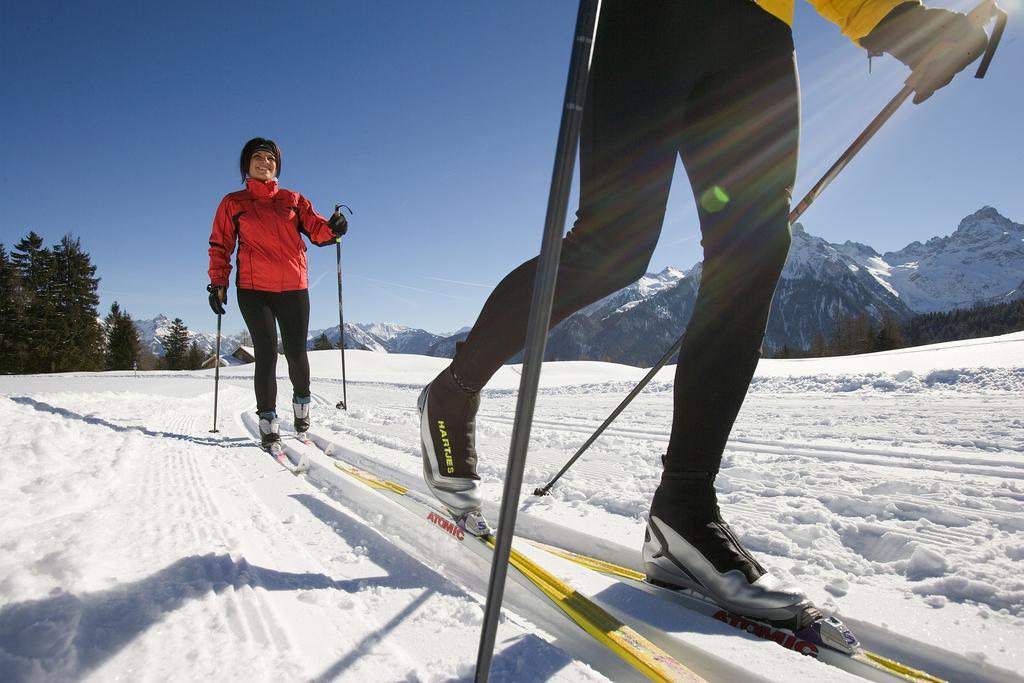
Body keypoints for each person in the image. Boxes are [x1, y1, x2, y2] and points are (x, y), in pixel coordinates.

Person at [418, 0, 988, 626]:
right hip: (651, 20)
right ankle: (454, 392)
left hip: (759, 35)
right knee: (614, 247)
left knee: (755, 247)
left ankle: (683, 510)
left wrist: (903, 24)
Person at [207, 137, 348, 451]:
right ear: (247, 164)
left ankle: (302, 411)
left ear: (277, 166)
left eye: (270, 159)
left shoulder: (293, 200)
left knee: (297, 354)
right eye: (257, 157)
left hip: (294, 289)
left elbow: (317, 230)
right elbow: (221, 246)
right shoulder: (233, 202)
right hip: (254, 291)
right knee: (267, 354)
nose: (264, 163)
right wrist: (218, 282)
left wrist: (335, 227)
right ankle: (268, 422)